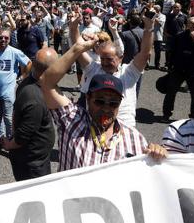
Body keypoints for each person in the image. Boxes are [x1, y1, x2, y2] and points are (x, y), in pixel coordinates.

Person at [40, 42, 166, 170]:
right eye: (99, 101)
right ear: (88, 98)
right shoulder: (72, 121)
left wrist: (157, 154)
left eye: (113, 103)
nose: (106, 108)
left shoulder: (134, 138)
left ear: (120, 104)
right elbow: (46, 83)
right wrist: (77, 49)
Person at [75, 13, 155, 127]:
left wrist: (149, 27)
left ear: (120, 58)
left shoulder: (129, 72)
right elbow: (77, 51)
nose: (105, 63)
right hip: (94, 126)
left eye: (109, 59)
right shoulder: (94, 69)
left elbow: (145, 53)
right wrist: (74, 27)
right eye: (102, 59)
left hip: (124, 127)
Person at [1, 48, 56, 181]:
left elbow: (15, 114)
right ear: (51, 69)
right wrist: (10, 144)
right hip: (33, 162)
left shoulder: (29, 81)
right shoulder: (34, 98)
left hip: (36, 156)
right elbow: (24, 134)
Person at [0, 28, 31, 154]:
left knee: (9, 119)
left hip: (8, 94)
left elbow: (29, 62)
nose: (3, 40)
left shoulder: (14, 52)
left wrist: (23, 76)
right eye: (1, 37)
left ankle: (11, 143)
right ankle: (1, 141)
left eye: (6, 38)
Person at [162, 17, 194, 120]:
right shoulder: (179, 36)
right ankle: (166, 114)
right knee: (171, 92)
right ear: (187, 25)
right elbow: (171, 51)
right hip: (178, 69)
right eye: (192, 23)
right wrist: (170, 66)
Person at [152, 5, 166, 70]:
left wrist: (155, 16)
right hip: (150, 35)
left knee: (158, 51)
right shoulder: (151, 15)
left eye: (154, 9)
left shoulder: (163, 16)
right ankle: (146, 64)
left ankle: (157, 64)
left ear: (158, 9)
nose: (153, 10)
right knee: (148, 51)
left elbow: (160, 23)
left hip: (158, 36)